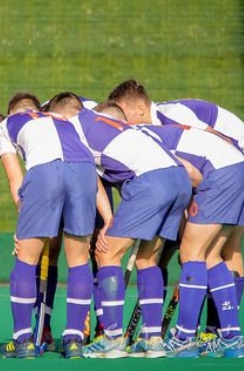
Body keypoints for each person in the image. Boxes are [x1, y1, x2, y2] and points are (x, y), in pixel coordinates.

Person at [108, 79, 244, 339]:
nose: (122, 124)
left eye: (123, 115)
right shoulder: (151, 128)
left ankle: (213, 330)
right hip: (220, 167)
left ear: (139, 109)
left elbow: (218, 144)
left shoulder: (173, 114)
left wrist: (202, 202)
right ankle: (218, 332)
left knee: (224, 248)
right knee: (203, 250)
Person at [59, 95, 191, 359]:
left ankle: (112, 339)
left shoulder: (70, 127)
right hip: (179, 180)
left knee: (106, 253)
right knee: (147, 260)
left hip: (151, 183)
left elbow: (90, 178)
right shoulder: (112, 125)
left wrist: (108, 220)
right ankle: (152, 339)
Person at [0, 92, 111, 359]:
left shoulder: (5, 126)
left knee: (26, 259)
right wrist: (108, 218)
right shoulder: (64, 120)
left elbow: (15, 179)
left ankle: (22, 340)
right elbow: (92, 175)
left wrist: (23, 218)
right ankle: (74, 340)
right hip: (84, 172)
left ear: (12, 111)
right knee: (79, 260)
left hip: (44, 171)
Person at [137, 124, 244, 358]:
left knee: (191, 253)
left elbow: (189, 174)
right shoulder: (155, 130)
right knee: (210, 255)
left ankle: (184, 338)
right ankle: (231, 338)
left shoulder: (139, 137)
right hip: (240, 169)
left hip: (218, 176)